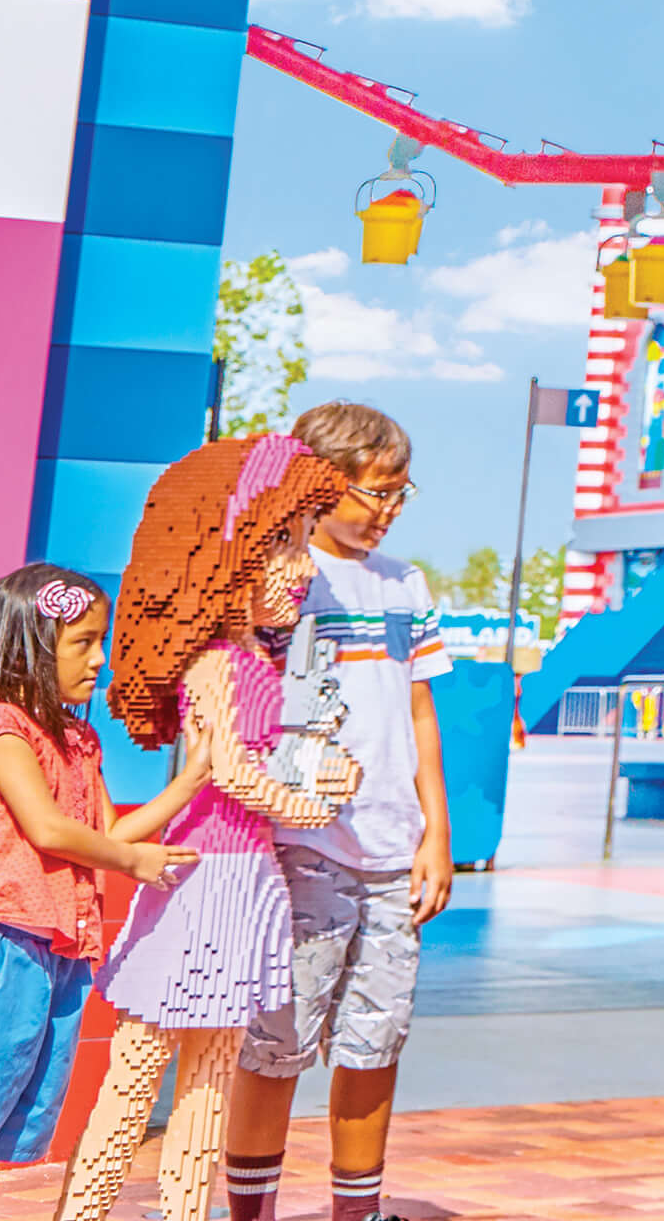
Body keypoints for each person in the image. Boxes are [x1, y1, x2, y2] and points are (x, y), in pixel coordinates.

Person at [58, 438, 366, 1221]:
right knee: (139, 1065)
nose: (302, 567)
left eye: (303, 542)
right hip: (200, 879)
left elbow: (268, 761)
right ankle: (84, 1209)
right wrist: (306, 804)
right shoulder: (215, 666)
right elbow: (227, 769)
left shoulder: (259, 663)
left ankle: (186, 1209)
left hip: (244, 882)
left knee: (212, 1072)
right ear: (226, 554)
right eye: (281, 544)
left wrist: (321, 776)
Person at [230, 402, 455, 1221]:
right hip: (304, 844)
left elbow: (420, 711)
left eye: (401, 492)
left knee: (375, 1040)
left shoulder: (406, 584)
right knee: (277, 1042)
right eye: (376, 492)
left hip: (394, 852)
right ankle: (248, 1208)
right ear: (323, 484)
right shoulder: (283, 578)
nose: (390, 508)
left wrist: (438, 834)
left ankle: (356, 1211)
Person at [0, 565, 200, 1221]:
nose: (101, 661)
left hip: (62, 950)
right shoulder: (2, 729)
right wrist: (132, 860)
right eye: (83, 643)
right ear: (33, 645)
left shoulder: (79, 739)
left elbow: (107, 828)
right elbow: (48, 827)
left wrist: (187, 784)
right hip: (2, 944)